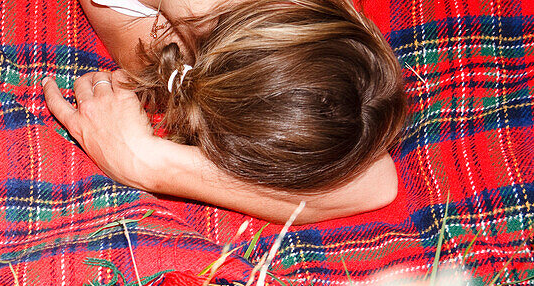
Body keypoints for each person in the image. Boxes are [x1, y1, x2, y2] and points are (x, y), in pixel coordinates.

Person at [42, 0, 407, 223]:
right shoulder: (168, 51)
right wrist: (150, 163)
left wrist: (152, 165)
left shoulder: (171, 47)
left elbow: (375, 185)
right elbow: (370, 186)